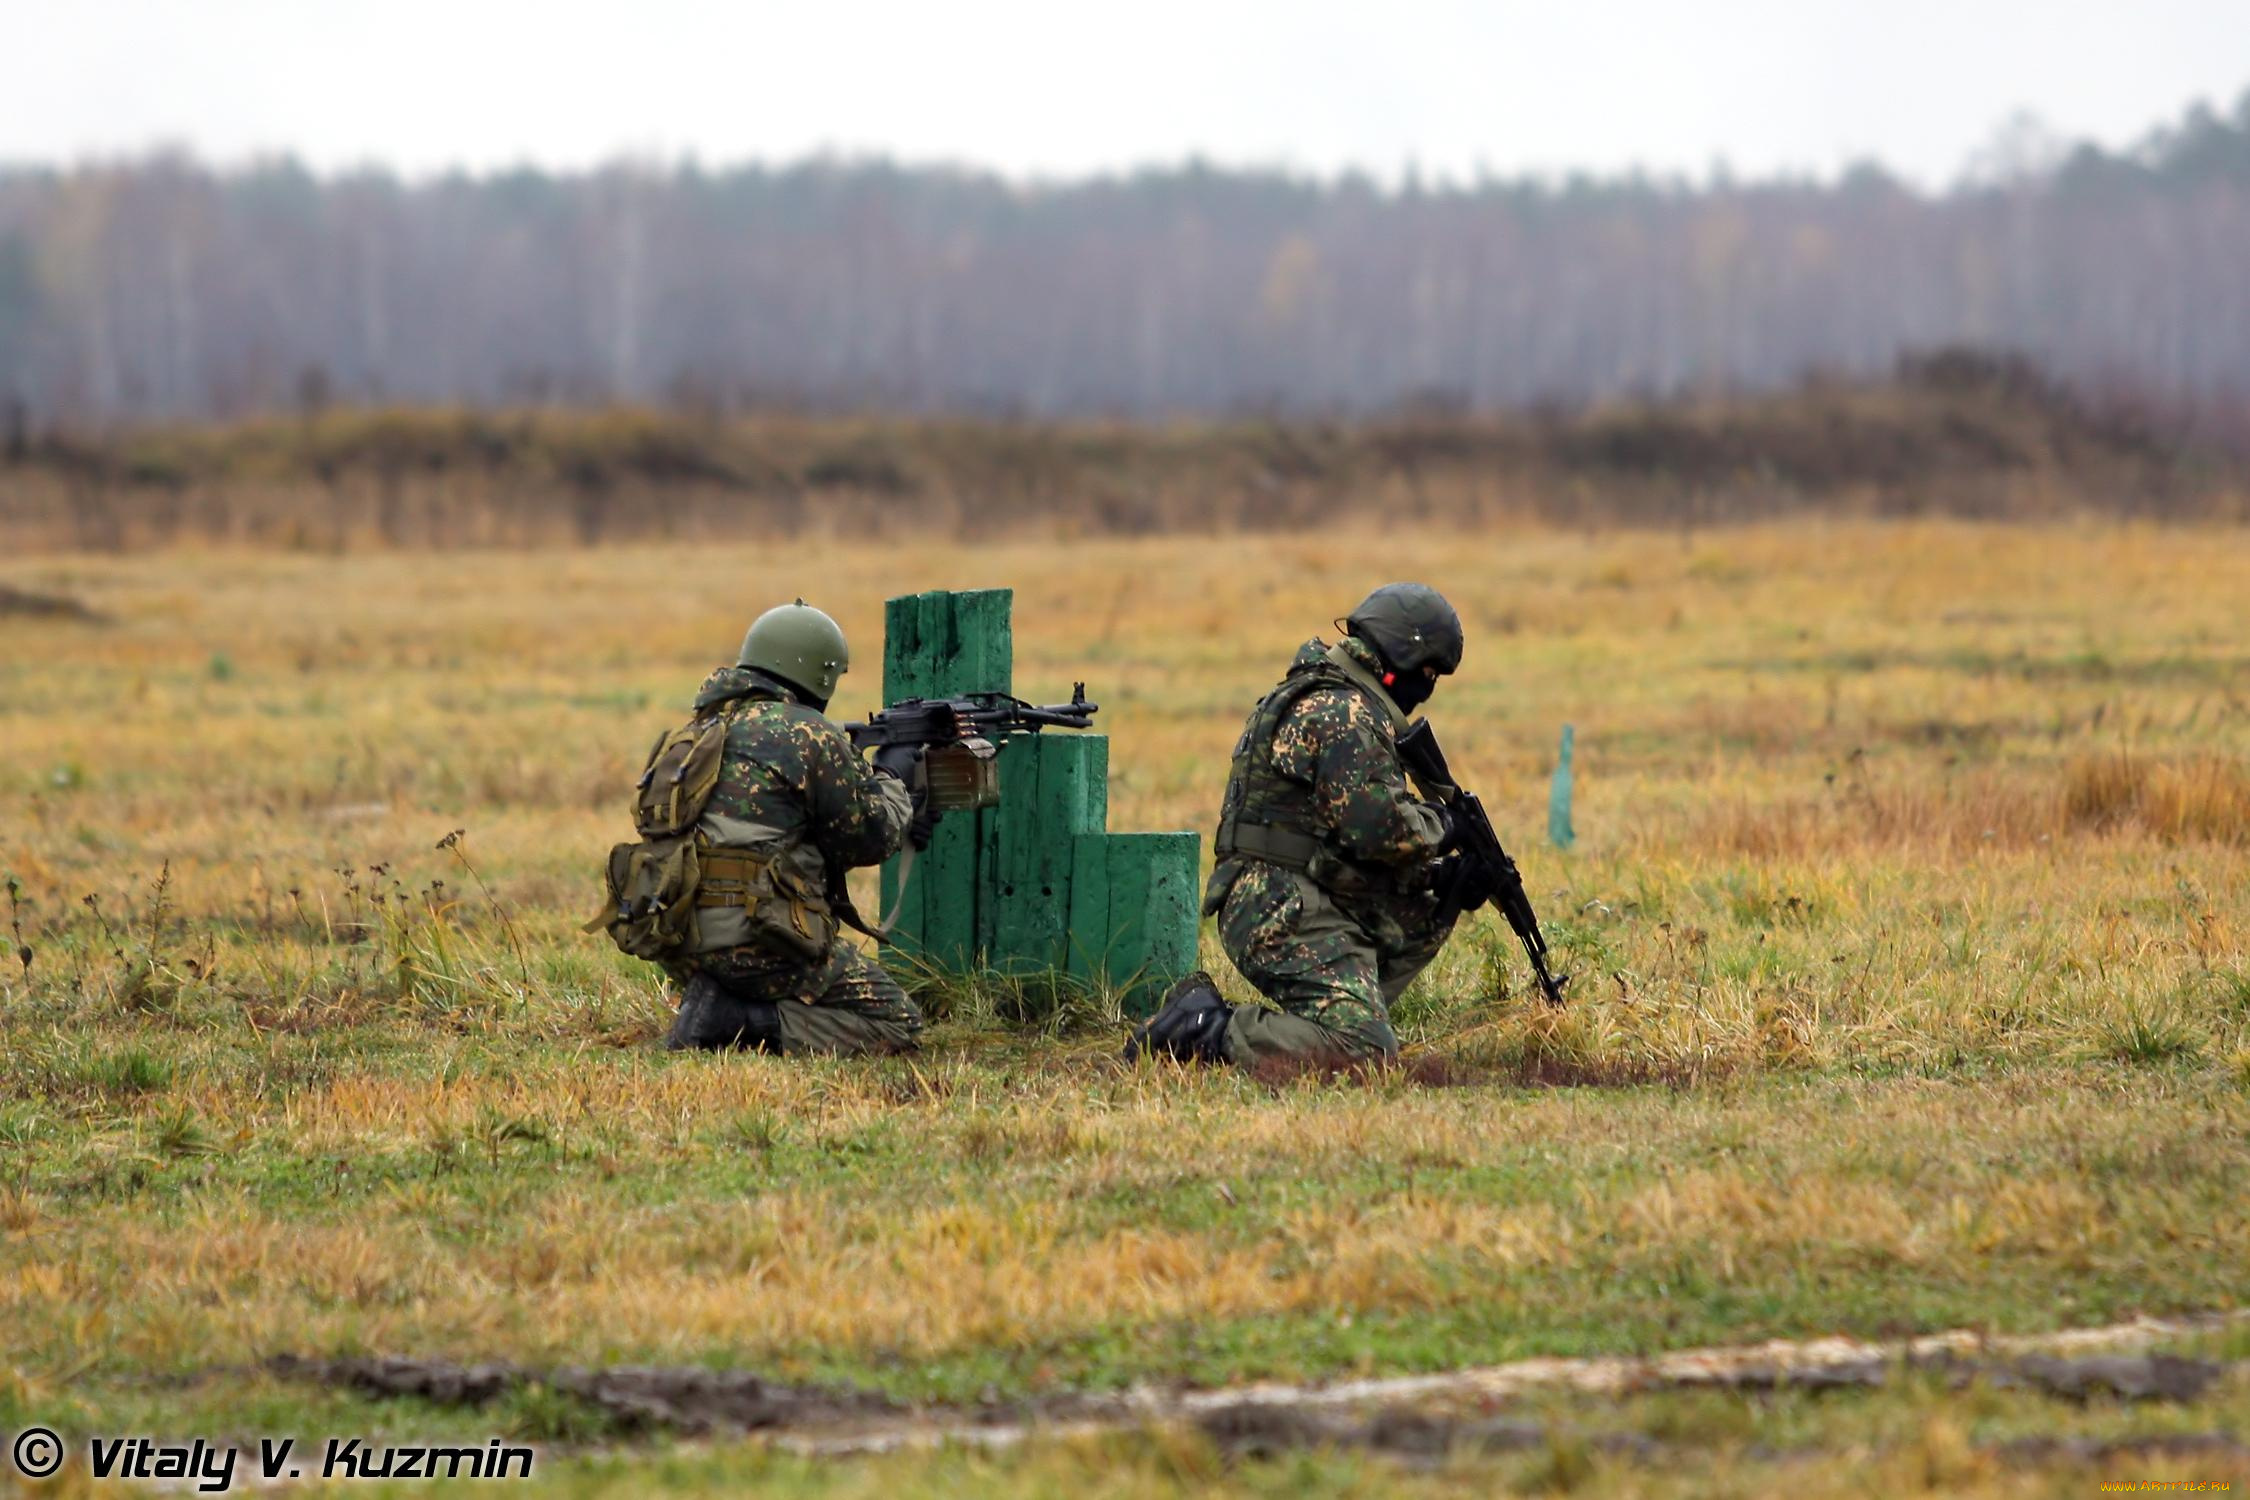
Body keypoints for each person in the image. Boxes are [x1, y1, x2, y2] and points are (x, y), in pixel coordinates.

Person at [1125, 583, 1465, 1068]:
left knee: (1428, 901)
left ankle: (1339, 1016)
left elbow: (1347, 835)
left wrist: (1441, 883)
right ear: (1400, 654)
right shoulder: (1341, 711)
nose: (1426, 687)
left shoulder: (1332, 696)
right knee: (1366, 1052)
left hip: (1289, 891)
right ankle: (1205, 1028)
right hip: (1276, 905)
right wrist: (1443, 826)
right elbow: (1380, 831)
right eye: (1427, 671)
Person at [657, 601, 931, 1055]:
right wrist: (893, 780)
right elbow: (872, 838)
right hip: (763, 944)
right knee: (897, 1023)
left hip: (681, 942)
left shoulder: (700, 730)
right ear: (819, 674)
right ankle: (739, 1019)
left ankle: (718, 1000)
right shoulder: (809, 734)